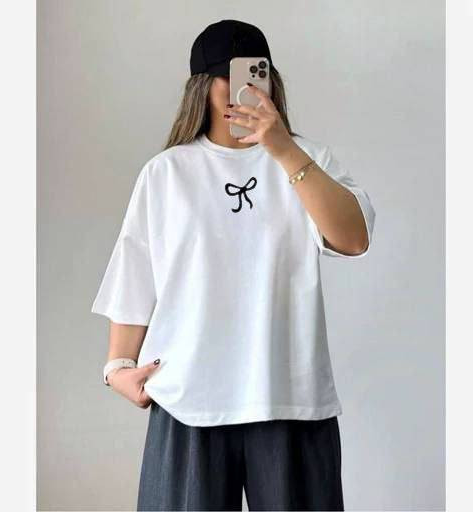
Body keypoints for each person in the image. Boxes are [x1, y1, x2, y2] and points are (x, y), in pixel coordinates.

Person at [91, 19, 375, 512]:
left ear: (270, 80)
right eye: (226, 76)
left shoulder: (309, 158)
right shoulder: (167, 173)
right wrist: (118, 366)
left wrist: (282, 149)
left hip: (289, 397)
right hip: (188, 399)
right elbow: (136, 272)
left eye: (253, 75)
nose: (240, 89)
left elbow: (352, 239)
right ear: (201, 87)